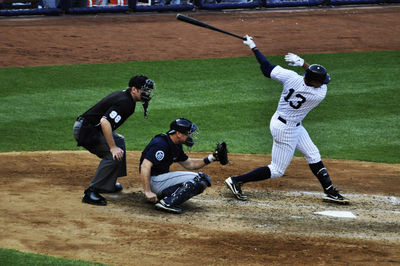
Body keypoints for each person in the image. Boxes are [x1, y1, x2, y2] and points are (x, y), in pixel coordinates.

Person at [224, 35, 349, 204]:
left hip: (285, 122)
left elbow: (266, 68)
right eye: (320, 81)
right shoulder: (318, 93)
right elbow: (316, 78)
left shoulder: (291, 77)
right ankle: (236, 180)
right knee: (276, 170)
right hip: (286, 130)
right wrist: (304, 63)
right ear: (313, 82)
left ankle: (330, 191)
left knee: (313, 154)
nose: (323, 83)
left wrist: (253, 46)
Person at [73, 75, 155, 206]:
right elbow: (105, 122)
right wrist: (112, 147)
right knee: (113, 154)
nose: (147, 93)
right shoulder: (126, 102)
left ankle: (108, 184)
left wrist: (115, 141)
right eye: (144, 90)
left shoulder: (127, 97)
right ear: (134, 89)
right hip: (86, 131)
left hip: (91, 128)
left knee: (119, 141)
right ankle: (91, 192)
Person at [140, 118, 227, 214]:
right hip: (154, 181)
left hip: (159, 181)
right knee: (199, 179)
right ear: (178, 134)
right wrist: (147, 191)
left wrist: (211, 158)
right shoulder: (161, 144)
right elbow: (145, 166)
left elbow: (190, 164)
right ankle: (168, 203)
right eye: (188, 133)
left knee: (201, 180)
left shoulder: (176, 144)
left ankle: (166, 198)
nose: (190, 136)